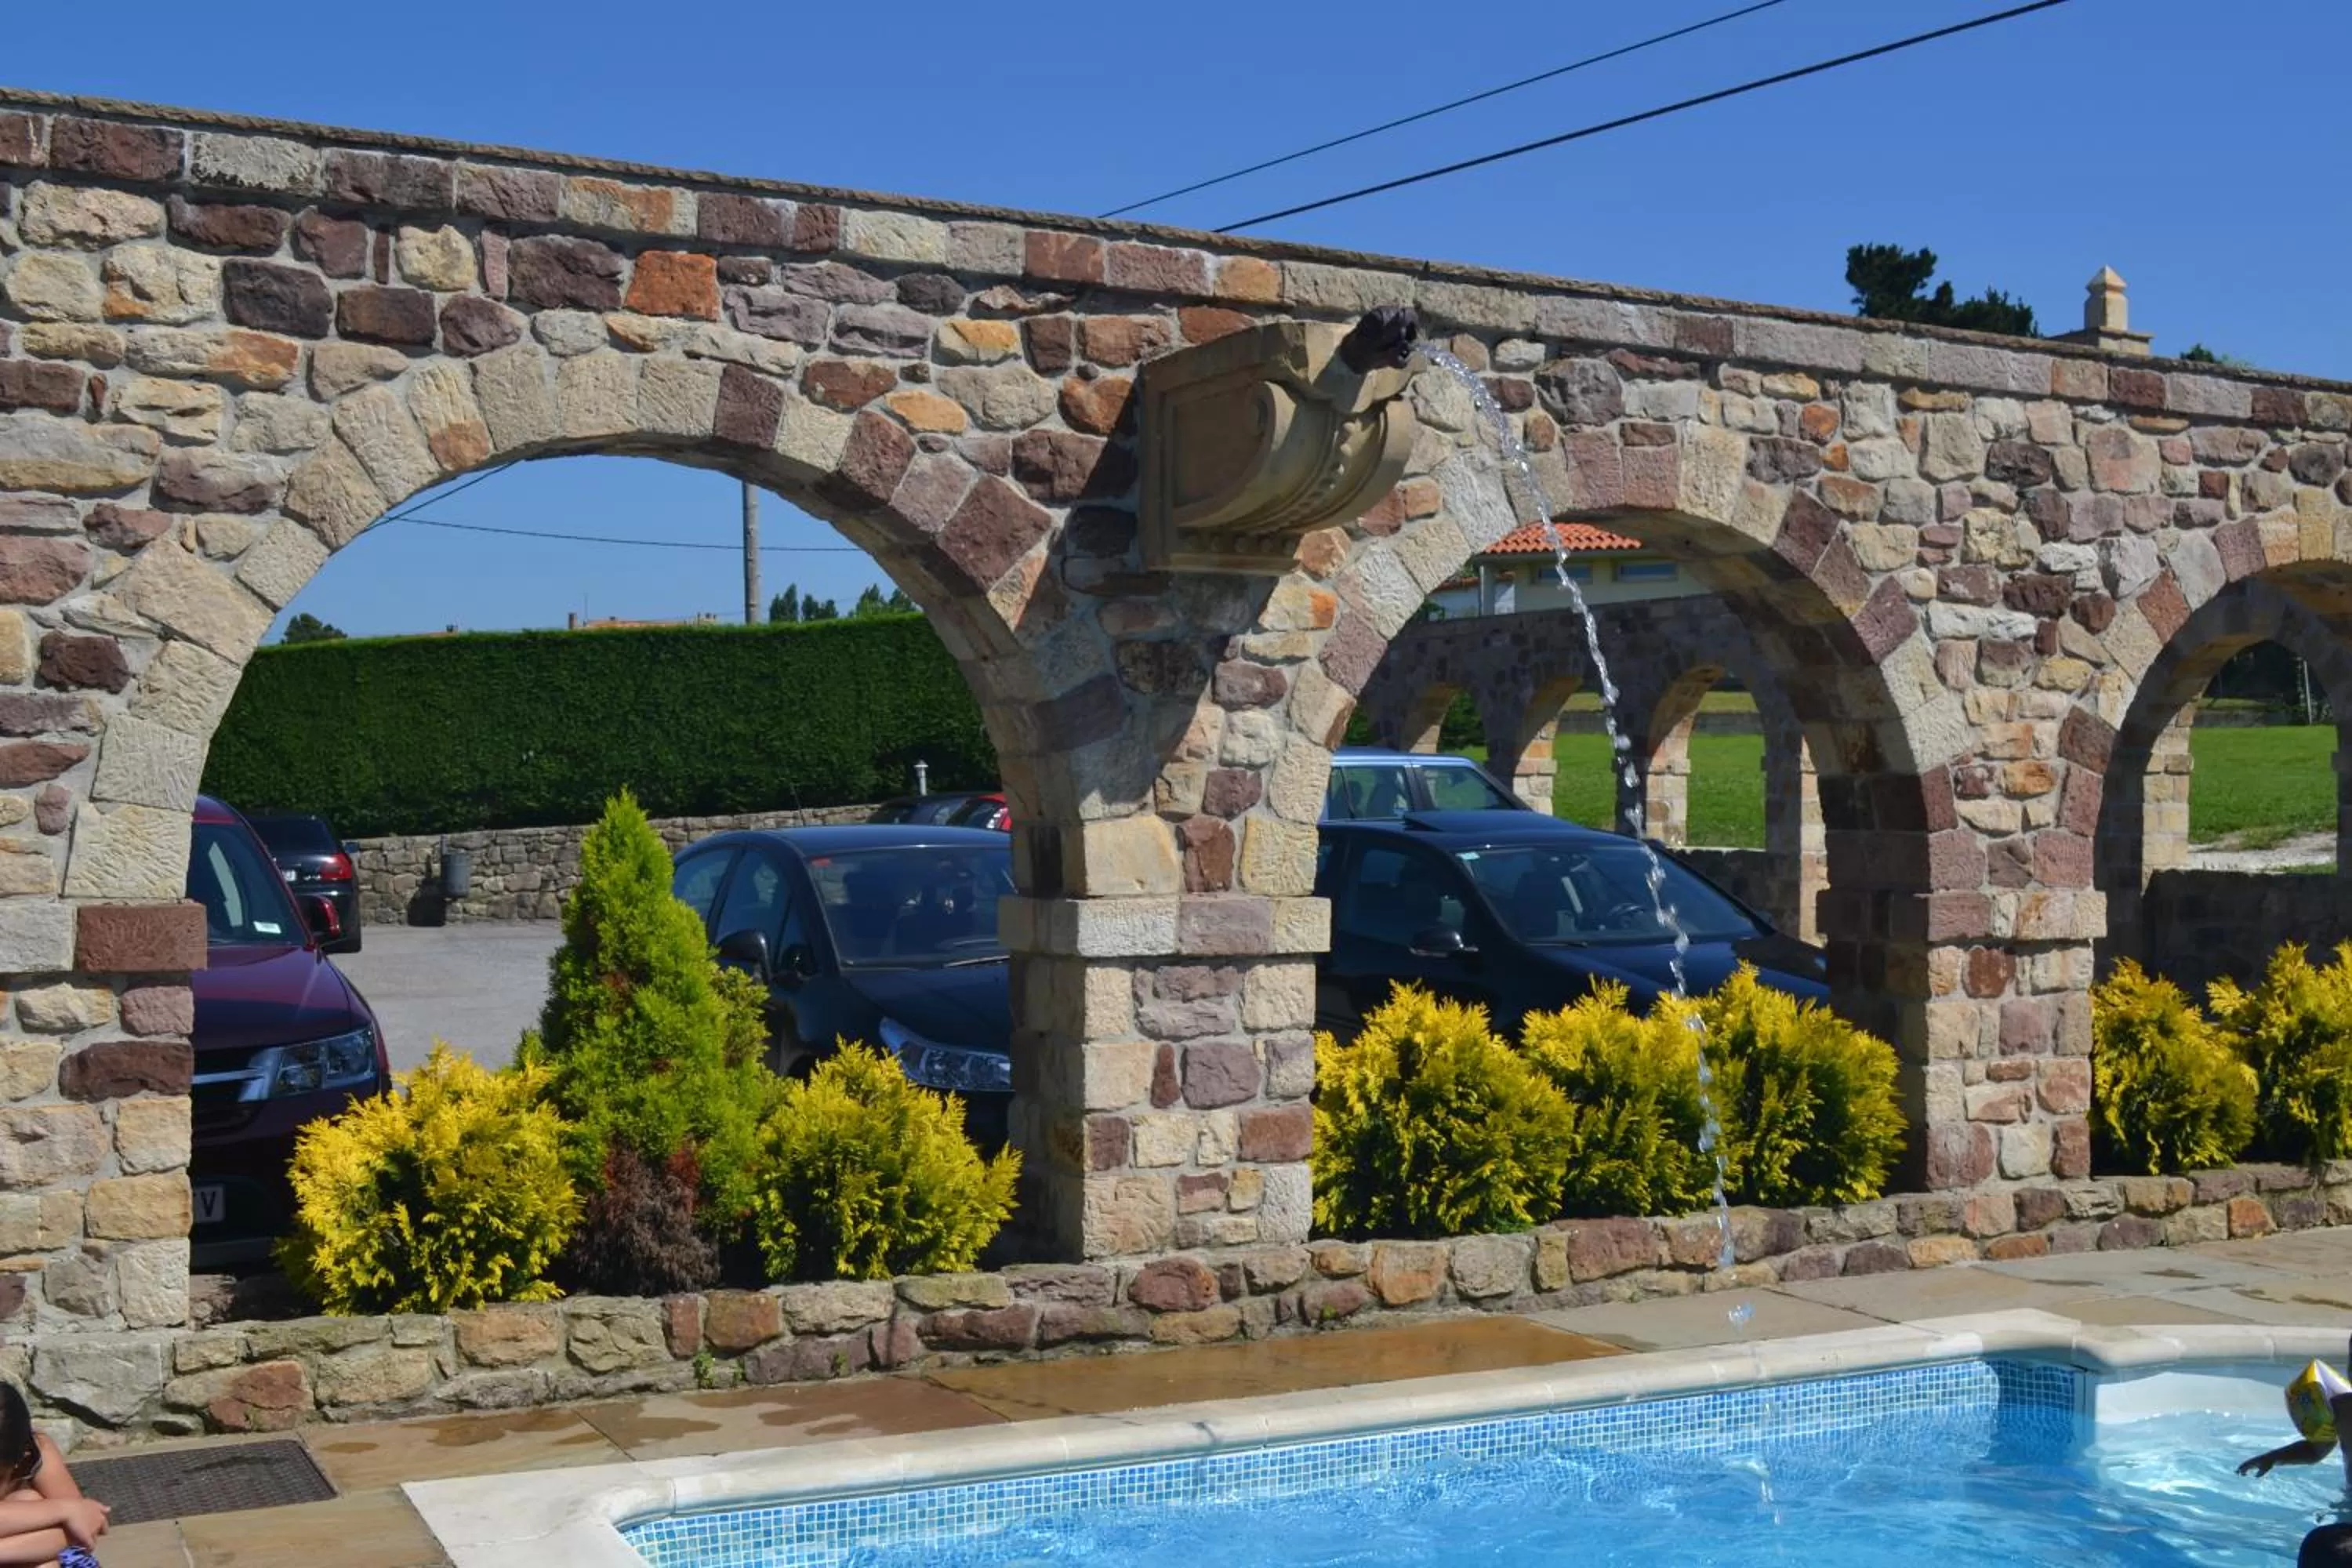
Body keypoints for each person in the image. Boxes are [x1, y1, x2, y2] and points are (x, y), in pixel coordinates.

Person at [0, 1382, 105, 1566]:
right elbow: (75, 1514)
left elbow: (85, 1527)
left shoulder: (36, 1452)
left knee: (28, 1500)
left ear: (21, 1458)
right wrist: (64, 1510)